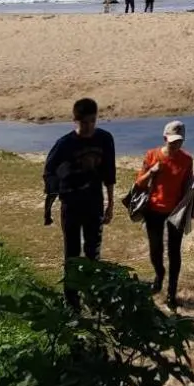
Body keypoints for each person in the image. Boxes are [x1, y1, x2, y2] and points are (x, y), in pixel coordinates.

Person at [43, 97, 116, 307]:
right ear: (75, 120)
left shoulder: (104, 139)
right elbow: (49, 174)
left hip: (94, 203)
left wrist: (110, 204)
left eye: (93, 121)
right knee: (72, 254)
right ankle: (72, 301)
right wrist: (50, 204)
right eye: (84, 122)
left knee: (93, 252)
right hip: (71, 206)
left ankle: (93, 297)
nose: (89, 127)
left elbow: (109, 173)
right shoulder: (64, 145)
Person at [135, 120, 193, 308]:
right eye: (172, 141)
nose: (176, 145)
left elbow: (187, 184)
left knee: (174, 252)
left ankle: (171, 293)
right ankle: (159, 275)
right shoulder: (152, 155)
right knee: (155, 250)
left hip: (175, 211)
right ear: (164, 138)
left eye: (179, 141)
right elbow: (139, 184)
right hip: (153, 210)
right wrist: (151, 172)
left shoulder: (186, 160)